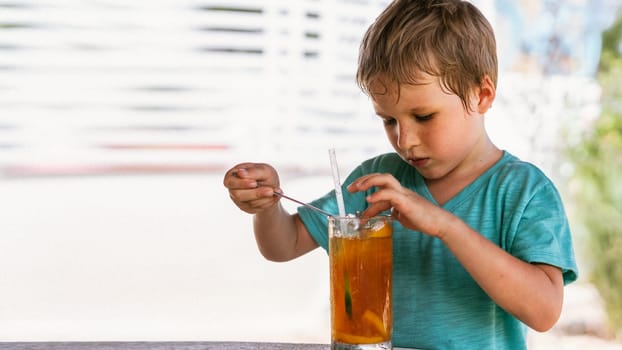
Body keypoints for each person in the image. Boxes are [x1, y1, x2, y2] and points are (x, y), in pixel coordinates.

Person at [223, 0, 578, 348]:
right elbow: (283, 245)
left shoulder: (523, 191)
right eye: (389, 120)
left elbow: (543, 311)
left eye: (424, 117)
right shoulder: (378, 182)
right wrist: (267, 206)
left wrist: (444, 225)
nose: (404, 140)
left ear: (481, 95)